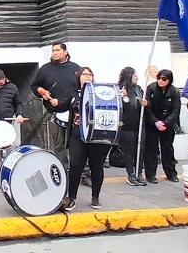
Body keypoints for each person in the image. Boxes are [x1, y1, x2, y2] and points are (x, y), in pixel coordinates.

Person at [66, 67, 110, 211]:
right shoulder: (73, 93)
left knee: (96, 166)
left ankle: (95, 197)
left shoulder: (99, 92)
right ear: (78, 77)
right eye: (84, 74)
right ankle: (71, 198)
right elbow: (64, 105)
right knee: (75, 166)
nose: (87, 77)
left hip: (95, 135)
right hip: (77, 135)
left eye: (90, 74)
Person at [31, 43, 80, 168]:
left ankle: (81, 172)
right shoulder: (45, 69)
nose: (55, 53)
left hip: (75, 114)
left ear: (65, 52)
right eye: (53, 50)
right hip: (55, 113)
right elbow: (34, 86)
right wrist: (41, 92)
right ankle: (63, 171)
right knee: (59, 146)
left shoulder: (76, 68)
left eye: (58, 50)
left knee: (77, 144)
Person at [142, 69, 180, 184]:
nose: (161, 81)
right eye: (159, 78)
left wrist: (166, 123)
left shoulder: (174, 92)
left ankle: (171, 173)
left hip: (167, 124)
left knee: (167, 149)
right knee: (151, 150)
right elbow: (147, 108)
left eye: (164, 79)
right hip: (152, 123)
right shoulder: (151, 88)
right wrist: (155, 121)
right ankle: (150, 174)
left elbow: (176, 110)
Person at [118, 67, 147, 187]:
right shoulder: (121, 90)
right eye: (134, 75)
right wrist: (120, 97)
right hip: (127, 126)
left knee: (140, 149)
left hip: (139, 125)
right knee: (128, 151)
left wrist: (145, 104)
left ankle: (139, 172)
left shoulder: (138, 89)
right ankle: (130, 173)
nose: (137, 77)